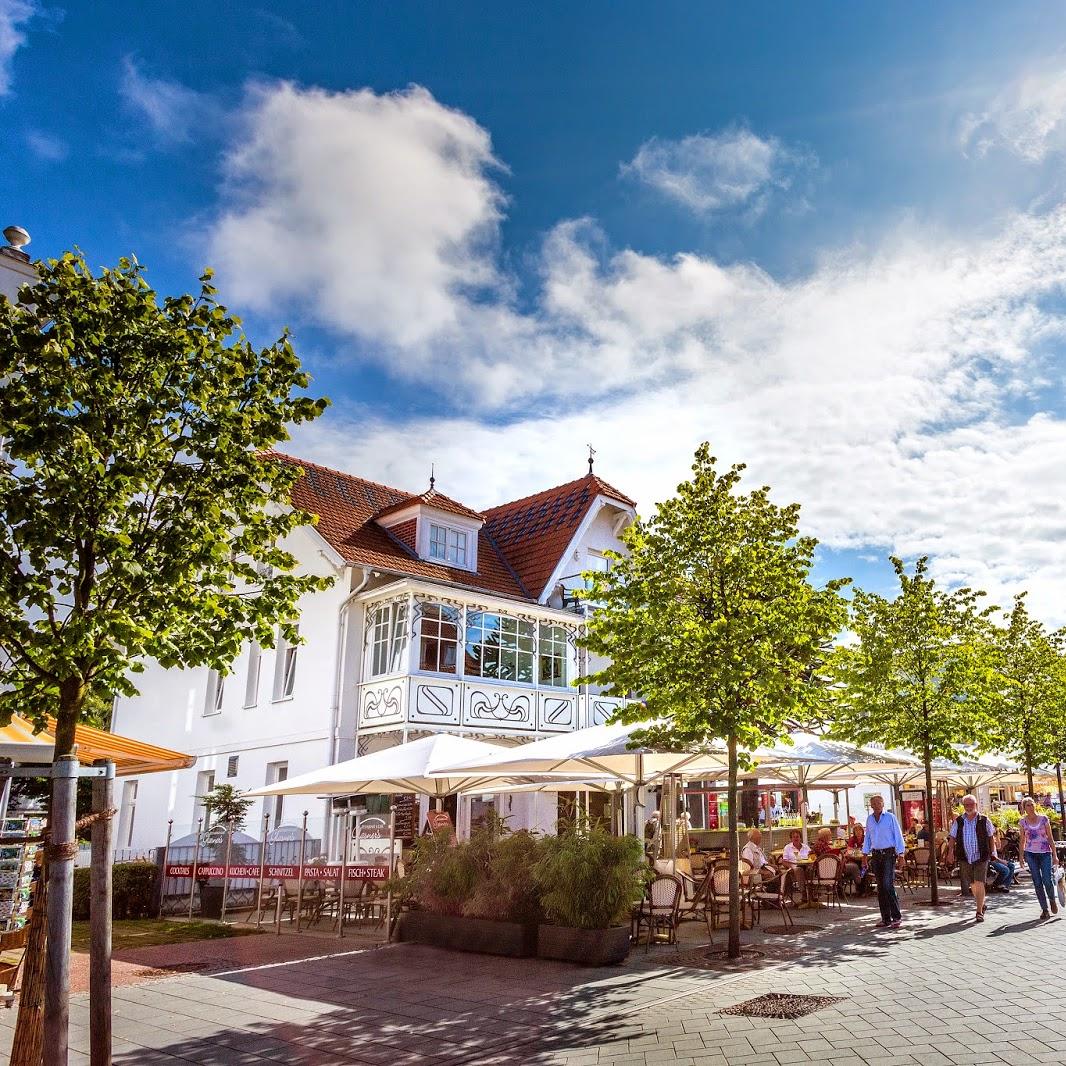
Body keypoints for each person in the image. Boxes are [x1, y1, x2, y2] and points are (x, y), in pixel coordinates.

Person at [947, 794, 997, 922]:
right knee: (972, 883)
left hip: (981, 855)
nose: (969, 807)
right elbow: (952, 837)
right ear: (963, 806)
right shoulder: (959, 821)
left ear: (976, 805)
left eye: (971, 804)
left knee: (980, 882)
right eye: (966, 805)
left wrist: (993, 852)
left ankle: (979, 911)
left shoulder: (984, 820)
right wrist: (950, 852)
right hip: (965, 856)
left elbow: (991, 837)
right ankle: (982, 903)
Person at [863, 794, 906, 928]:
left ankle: (896, 916)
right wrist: (864, 855)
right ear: (871, 806)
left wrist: (901, 854)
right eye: (873, 803)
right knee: (881, 888)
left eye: (878, 803)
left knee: (888, 885)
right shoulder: (870, 819)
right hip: (876, 854)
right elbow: (868, 838)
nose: (876, 806)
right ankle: (885, 918)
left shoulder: (890, 818)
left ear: (882, 804)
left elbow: (898, 835)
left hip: (888, 854)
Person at [1019, 797, 1060, 919]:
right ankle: (1044, 909)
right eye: (1027, 805)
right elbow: (1022, 840)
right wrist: (1021, 856)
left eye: (1032, 805)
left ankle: (1052, 899)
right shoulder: (1023, 822)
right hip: (1030, 853)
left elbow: (1050, 838)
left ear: (1035, 806)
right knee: (1037, 882)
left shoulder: (1043, 819)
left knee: (1047, 880)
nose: (1030, 807)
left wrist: (1055, 855)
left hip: (1045, 852)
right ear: (1024, 808)